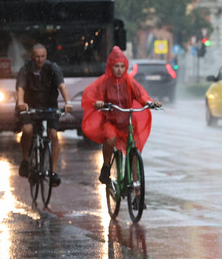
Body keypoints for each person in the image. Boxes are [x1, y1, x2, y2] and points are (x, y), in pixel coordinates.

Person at [81, 46, 162, 185]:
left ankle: (136, 190)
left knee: (134, 150)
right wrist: (98, 103)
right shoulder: (104, 81)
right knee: (110, 139)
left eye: (122, 66)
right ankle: (106, 167)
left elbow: (140, 94)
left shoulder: (129, 81)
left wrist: (150, 102)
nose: (119, 69)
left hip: (127, 121)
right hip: (110, 121)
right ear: (110, 67)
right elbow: (93, 95)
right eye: (116, 66)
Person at [16, 43, 74, 186]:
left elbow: (62, 86)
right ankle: (25, 159)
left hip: (49, 106)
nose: (40, 60)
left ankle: (53, 172)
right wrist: (21, 102)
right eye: (37, 57)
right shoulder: (25, 69)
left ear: (46, 56)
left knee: (53, 134)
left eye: (42, 57)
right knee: (27, 130)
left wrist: (68, 102)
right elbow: (20, 88)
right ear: (32, 57)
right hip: (30, 106)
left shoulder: (53, 68)